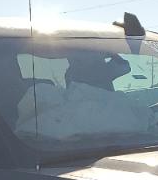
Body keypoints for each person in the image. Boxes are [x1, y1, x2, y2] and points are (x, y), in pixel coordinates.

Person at [15, 52, 144, 140]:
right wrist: (109, 53)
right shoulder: (79, 74)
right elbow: (124, 66)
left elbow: (125, 67)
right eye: (84, 57)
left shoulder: (101, 70)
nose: (91, 58)